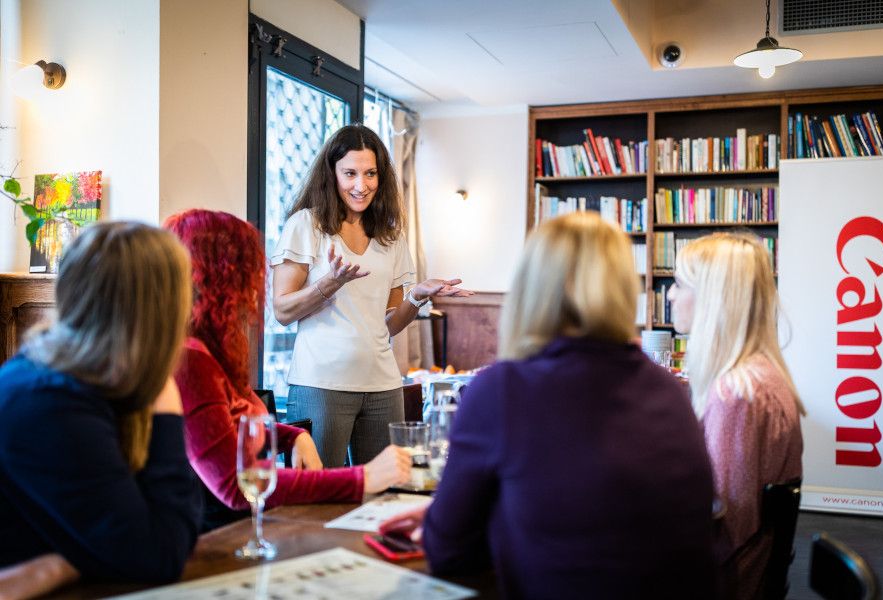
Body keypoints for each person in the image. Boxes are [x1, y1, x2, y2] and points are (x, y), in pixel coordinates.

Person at [382, 212, 716, 598]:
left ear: (531, 288)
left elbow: (450, 552)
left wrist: (458, 521)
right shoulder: (667, 389)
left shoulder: (501, 390)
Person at [166, 209, 412, 530]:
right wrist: (362, 477)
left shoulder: (205, 348)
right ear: (222, 279)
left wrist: (291, 436)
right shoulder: (190, 360)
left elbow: (229, 426)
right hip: (214, 535)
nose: (256, 289)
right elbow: (235, 486)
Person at [0, 222, 202, 584]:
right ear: (161, 316)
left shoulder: (69, 375)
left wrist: (68, 563)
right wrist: (166, 401)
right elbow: (161, 554)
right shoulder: (51, 404)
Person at [271, 123, 472, 468]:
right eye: (349, 173)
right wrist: (328, 285)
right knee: (321, 499)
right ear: (331, 173)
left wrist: (418, 296)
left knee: (386, 492)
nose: (360, 185)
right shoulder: (306, 225)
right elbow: (282, 310)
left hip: (382, 385)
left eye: (370, 174)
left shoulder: (389, 237)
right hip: (321, 384)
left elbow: (389, 325)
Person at [667, 232, 804, 600]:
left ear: (714, 298)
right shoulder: (760, 376)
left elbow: (723, 527)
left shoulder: (737, 394)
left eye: (679, 284)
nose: (669, 295)